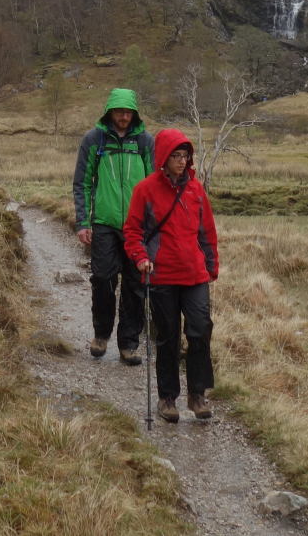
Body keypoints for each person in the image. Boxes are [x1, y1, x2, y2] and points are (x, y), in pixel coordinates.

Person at [124, 128, 218, 423]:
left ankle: (197, 394)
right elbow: (132, 232)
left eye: (185, 155)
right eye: (176, 156)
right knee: (167, 337)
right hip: (161, 274)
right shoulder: (146, 189)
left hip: (194, 274)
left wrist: (211, 264)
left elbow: (207, 231)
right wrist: (141, 258)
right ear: (163, 158)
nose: (181, 161)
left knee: (200, 330)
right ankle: (167, 398)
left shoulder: (196, 188)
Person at [71, 88, 154, 363]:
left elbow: (155, 187)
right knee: (103, 281)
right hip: (104, 224)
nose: (123, 117)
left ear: (135, 113)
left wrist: (154, 227)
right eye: (119, 112)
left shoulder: (144, 142)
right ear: (109, 112)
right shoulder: (94, 139)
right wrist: (83, 222)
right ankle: (101, 335)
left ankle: (129, 343)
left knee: (135, 285)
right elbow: (82, 183)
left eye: (128, 112)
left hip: (137, 227)